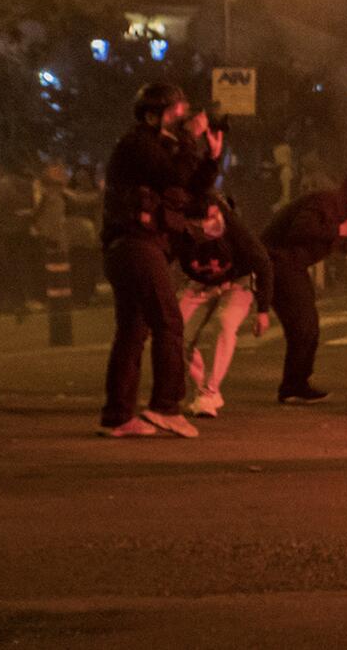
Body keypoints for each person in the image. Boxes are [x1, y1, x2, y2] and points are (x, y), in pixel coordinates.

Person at [98, 83, 219, 440]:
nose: (183, 116)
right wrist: (190, 141)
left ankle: (117, 416)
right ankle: (166, 406)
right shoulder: (138, 145)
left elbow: (190, 192)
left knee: (133, 333)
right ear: (153, 116)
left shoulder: (164, 149)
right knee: (169, 322)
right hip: (135, 244)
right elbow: (173, 175)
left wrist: (211, 158)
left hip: (139, 246)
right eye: (175, 111)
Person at [260, 163, 347, 404]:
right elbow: (299, 229)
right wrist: (340, 229)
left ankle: (296, 383)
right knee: (303, 325)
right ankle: (293, 386)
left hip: (293, 266)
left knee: (307, 326)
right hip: (277, 262)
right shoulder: (326, 202)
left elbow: (346, 247)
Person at [175, 192, 274, 418]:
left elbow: (263, 263)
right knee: (174, 332)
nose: (215, 222)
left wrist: (262, 310)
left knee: (226, 322)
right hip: (202, 283)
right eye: (208, 218)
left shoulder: (234, 229)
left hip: (238, 280)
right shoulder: (179, 234)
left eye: (216, 215)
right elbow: (165, 263)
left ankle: (210, 392)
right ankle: (203, 388)